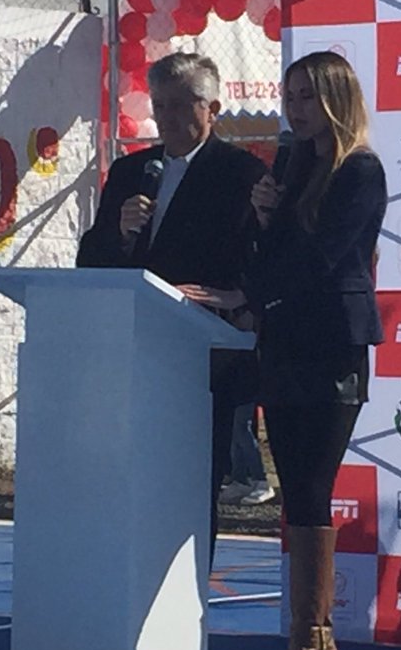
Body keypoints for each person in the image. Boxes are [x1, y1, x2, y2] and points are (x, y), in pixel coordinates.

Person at [76, 51, 266, 562]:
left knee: (192, 481)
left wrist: (239, 295)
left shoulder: (241, 173)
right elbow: (90, 260)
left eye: (181, 105)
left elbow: (257, 256)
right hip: (133, 350)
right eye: (160, 105)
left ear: (212, 109)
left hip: (201, 353)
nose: (167, 117)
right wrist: (120, 231)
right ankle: (128, 574)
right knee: (130, 477)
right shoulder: (133, 170)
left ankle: (189, 582)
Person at [248, 50, 386, 650]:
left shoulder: (360, 170)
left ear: (334, 98)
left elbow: (323, 258)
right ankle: (318, 647)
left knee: (311, 489)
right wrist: (262, 216)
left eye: (307, 97)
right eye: (290, 97)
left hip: (332, 348)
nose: (295, 110)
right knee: (295, 495)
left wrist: (259, 291)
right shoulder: (291, 164)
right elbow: (268, 257)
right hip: (284, 345)